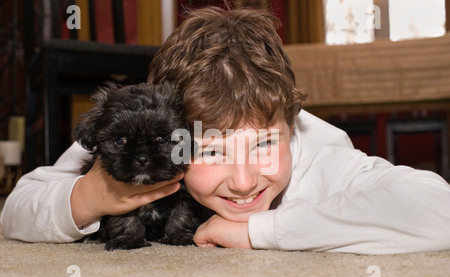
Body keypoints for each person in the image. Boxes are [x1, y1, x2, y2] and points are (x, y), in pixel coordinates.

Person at [1, 8, 450, 254]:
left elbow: (438, 208)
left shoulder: (316, 147)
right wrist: (90, 197)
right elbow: (14, 210)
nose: (243, 181)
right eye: (211, 152)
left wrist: (260, 232)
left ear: (290, 128)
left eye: (265, 144)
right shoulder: (146, 138)